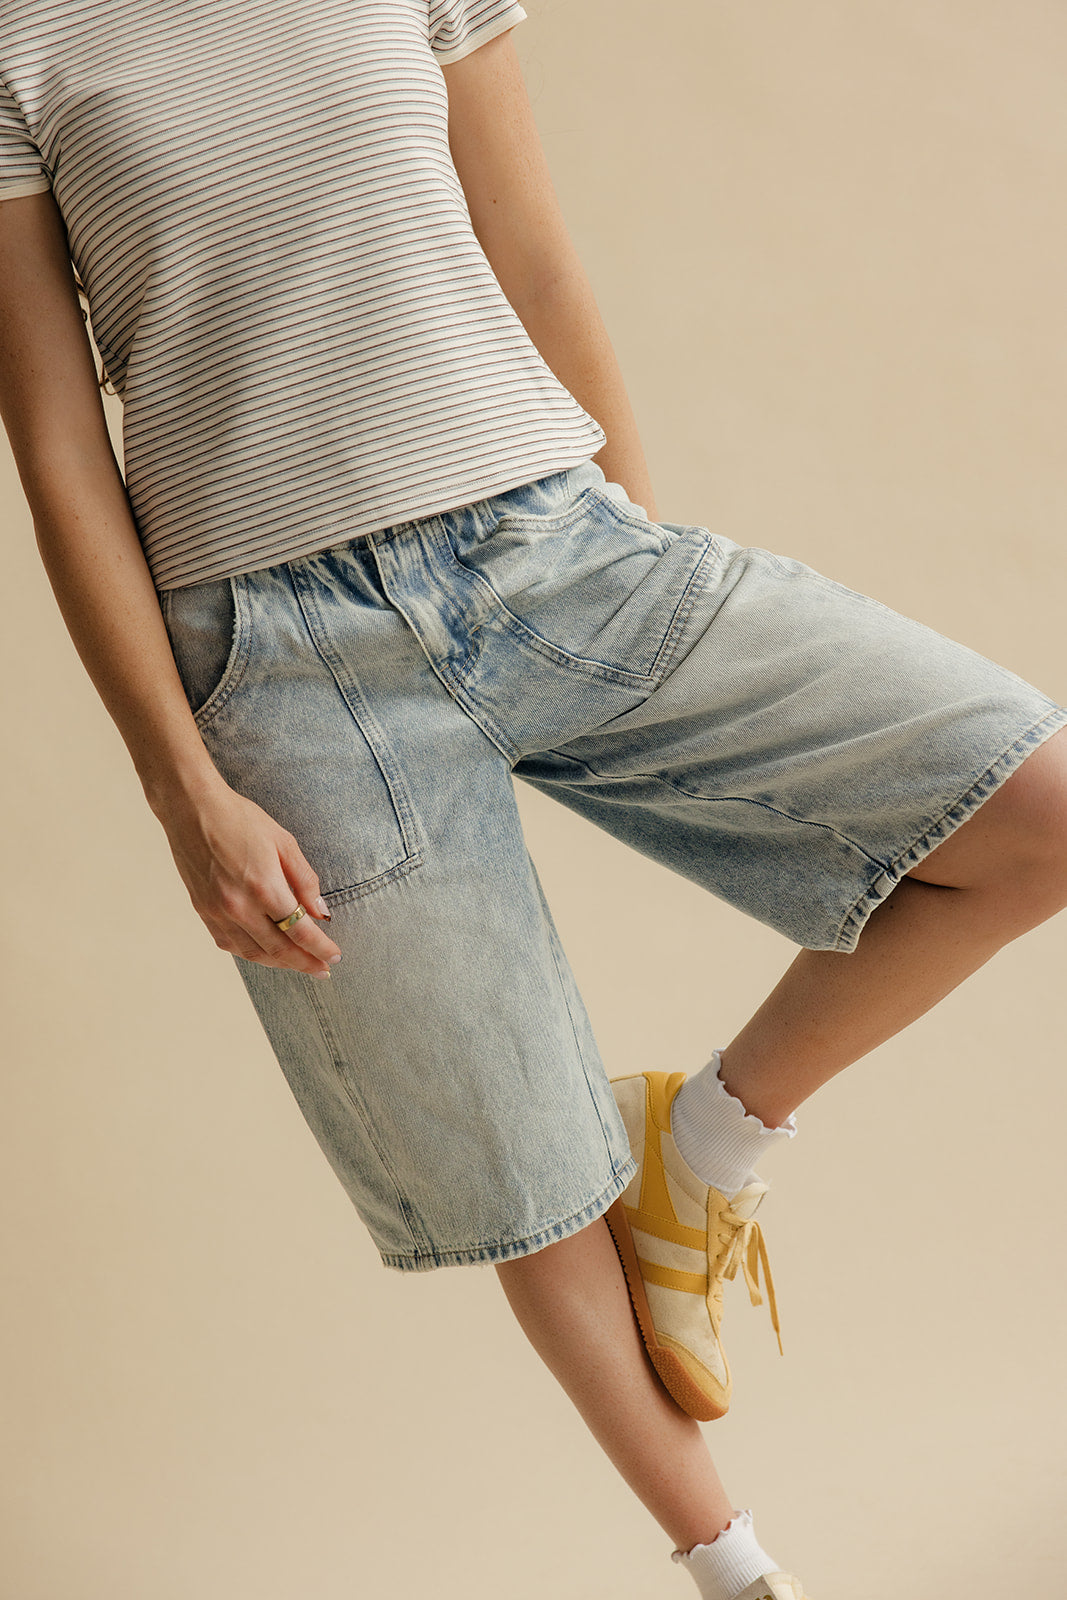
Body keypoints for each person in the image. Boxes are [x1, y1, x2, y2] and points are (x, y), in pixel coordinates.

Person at [2, 4, 1065, 1596]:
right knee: (527, 1171)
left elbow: (533, 247)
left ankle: (702, 1139)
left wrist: (626, 538)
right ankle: (739, 1574)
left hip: (546, 547)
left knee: (1038, 812)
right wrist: (179, 786)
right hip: (286, 670)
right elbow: (59, 438)